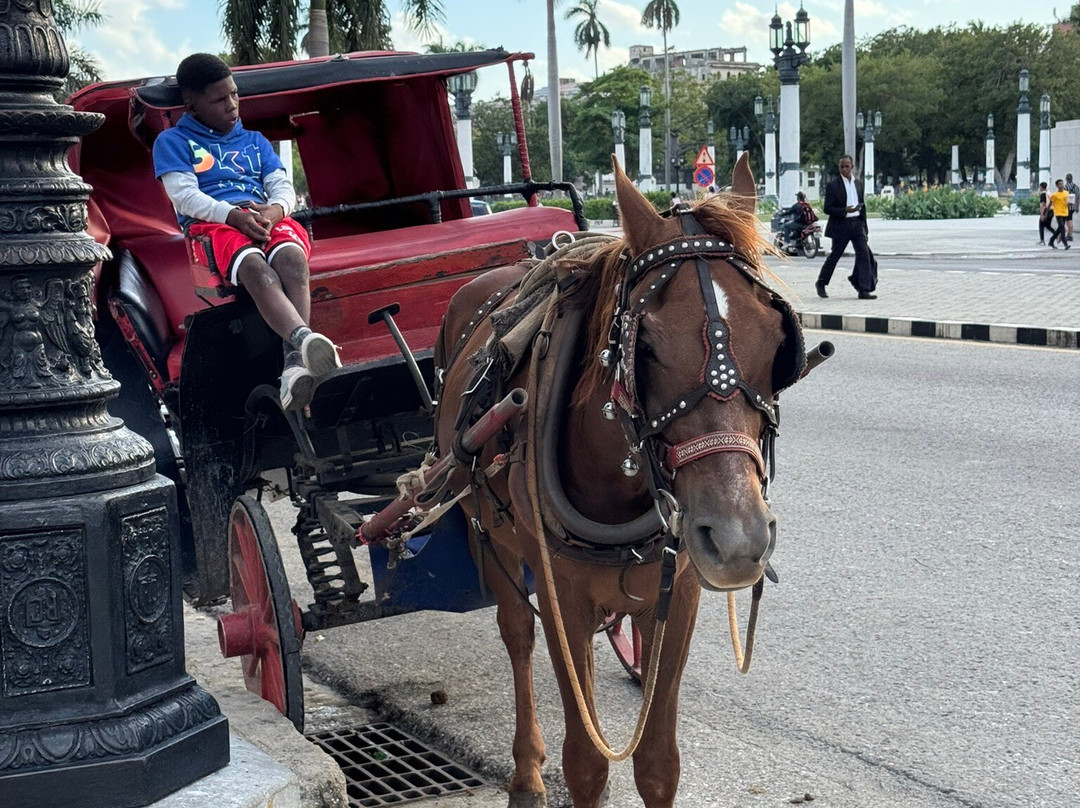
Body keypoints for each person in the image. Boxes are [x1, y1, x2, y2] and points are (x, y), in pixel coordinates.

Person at [152, 53, 340, 411]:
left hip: (263, 217)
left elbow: (282, 187)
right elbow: (184, 196)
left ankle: (295, 366)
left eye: (234, 95)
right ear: (191, 103)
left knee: (292, 260)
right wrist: (232, 216)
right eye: (219, 99)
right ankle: (302, 340)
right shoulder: (172, 143)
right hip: (215, 226)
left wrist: (273, 211)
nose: (232, 105)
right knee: (257, 270)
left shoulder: (255, 141)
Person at [815, 154, 875, 299]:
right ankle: (821, 283)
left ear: (852, 167)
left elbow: (863, 206)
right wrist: (844, 210)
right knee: (835, 255)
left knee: (864, 256)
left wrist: (864, 226)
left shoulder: (858, 184)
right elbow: (827, 208)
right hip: (841, 225)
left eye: (847, 166)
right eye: (841, 166)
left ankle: (863, 289)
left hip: (857, 224)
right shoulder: (833, 186)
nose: (844, 169)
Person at [1047, 178, 1071, 250]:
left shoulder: (1066, 193)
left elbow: (1068, 202)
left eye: (1062, 184)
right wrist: (1047, 212)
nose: (1061, 185)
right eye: (1059, 184)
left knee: (1059, 229)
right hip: (1058, 213)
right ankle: (1065, 244)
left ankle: (1051, 241)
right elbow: (1050, 204)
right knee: (1062, 228)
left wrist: (1069, 204)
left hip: (1065, 212)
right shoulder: (1054, 195)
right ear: (1057, 185)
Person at [1064, 173, 1078, 242]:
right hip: (1073, 206)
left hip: (1067, 206)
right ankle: (1070, 234)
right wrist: (1077, 206)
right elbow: (1078, 197)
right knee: (1070, 219)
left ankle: (1070, 235)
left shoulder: (1065, 187)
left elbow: (1064, 197)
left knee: (1068, 221)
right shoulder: (1076, 187)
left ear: (1066, 179)